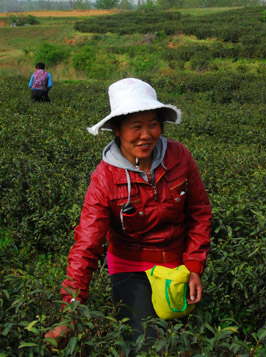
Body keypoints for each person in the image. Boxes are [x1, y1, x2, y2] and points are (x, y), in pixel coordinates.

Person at [45, 78, 211, 347]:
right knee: (144, 342)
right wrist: (72, 311)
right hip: (129, 265)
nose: (146, 135)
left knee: (184, 339)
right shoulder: (104, 178)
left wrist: (194, 266)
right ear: (117, 130)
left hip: (177, 262)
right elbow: (87, 244)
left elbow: (199, 212)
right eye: (136, 127)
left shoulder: (179, 156)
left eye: (153, 124)